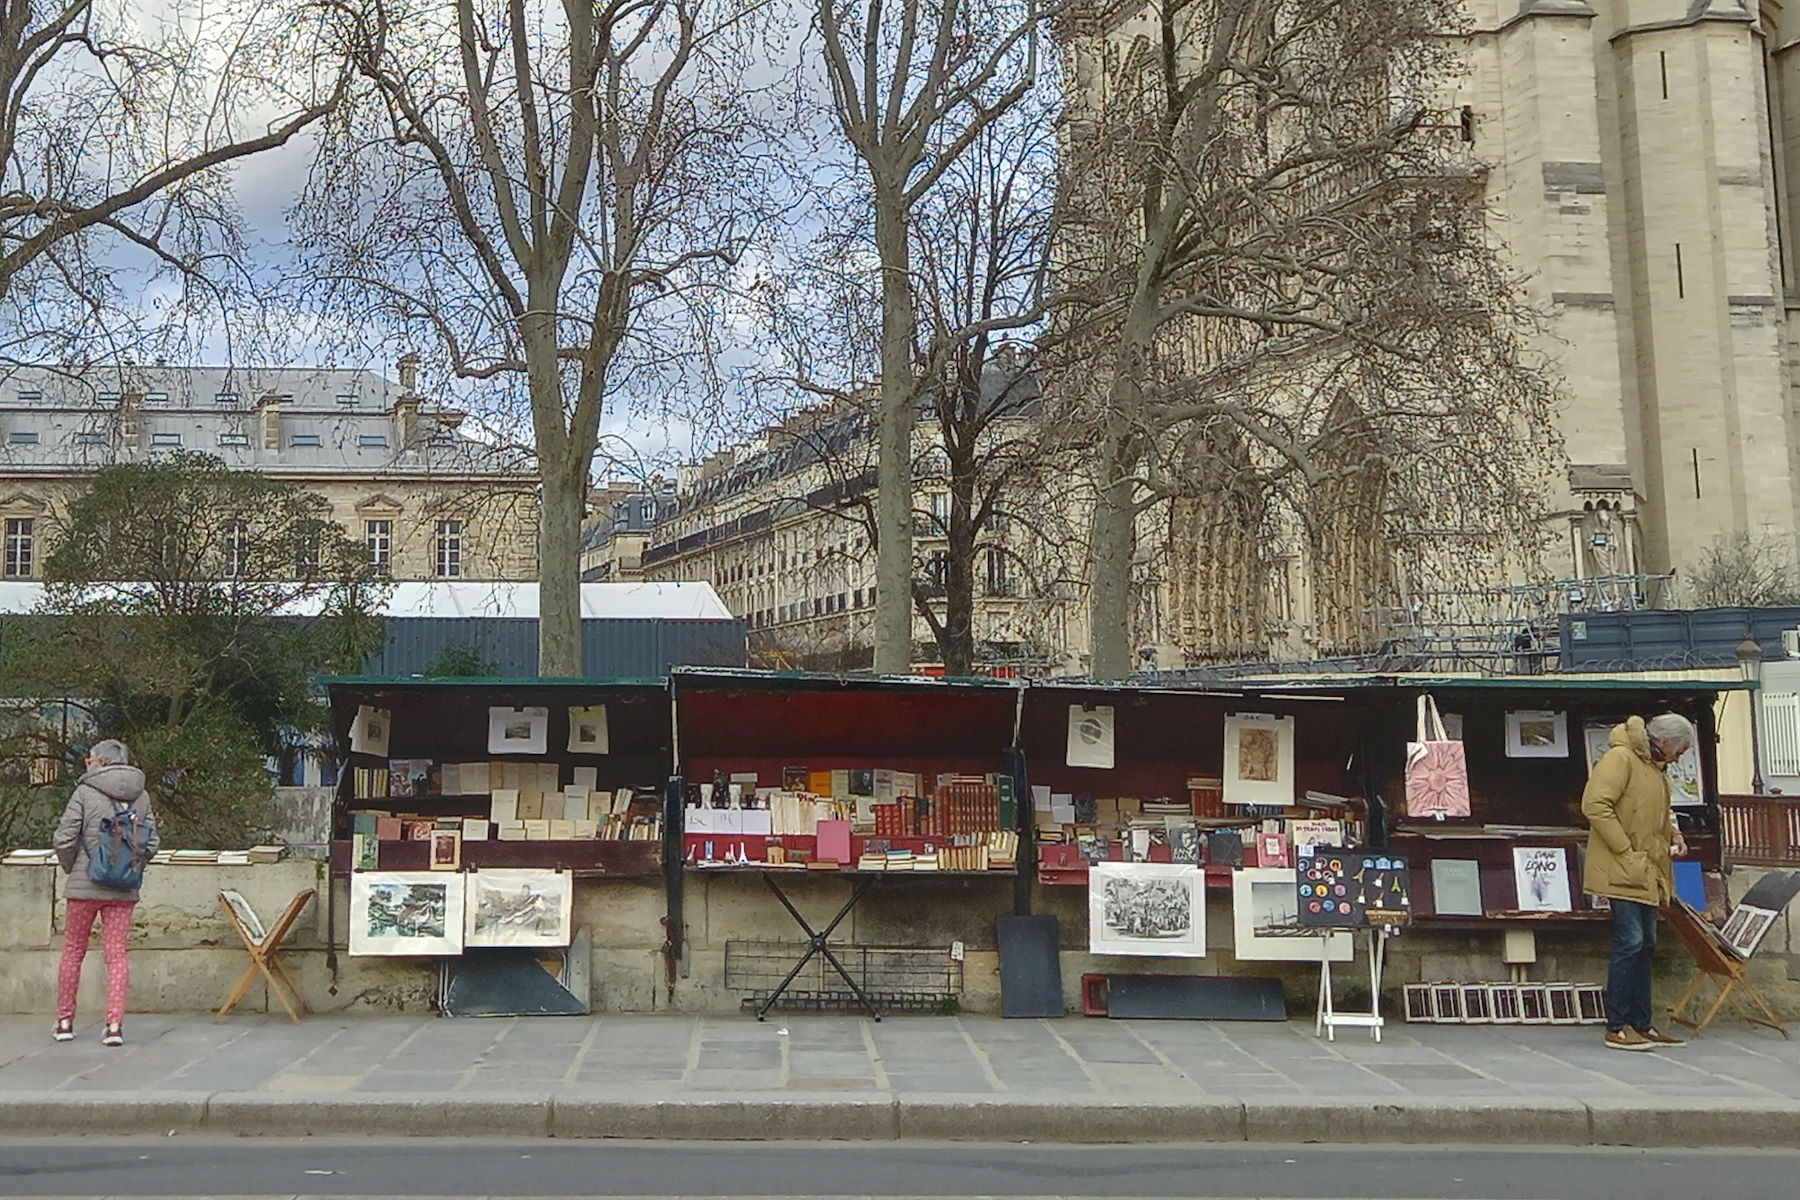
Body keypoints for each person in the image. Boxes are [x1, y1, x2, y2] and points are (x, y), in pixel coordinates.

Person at [1580, 713, 1694, 1052]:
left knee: (1645, 944)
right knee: (1631, 941)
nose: (1679, 758)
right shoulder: (1620, 758)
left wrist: (1675, 833)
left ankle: (1642, 1024)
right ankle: (1617, 1025)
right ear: (1664, 742)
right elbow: (1595, 805)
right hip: (1624, 867)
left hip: (1646, 869)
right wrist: (1625, 850)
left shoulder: (1656, 769)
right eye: (1680, 750)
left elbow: (1661, 811)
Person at [52, 739, 158, 1046]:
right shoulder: (142, 795)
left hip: (84, 887)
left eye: (90, 758)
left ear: (100, 762)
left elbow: (65, 838)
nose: (87, 762)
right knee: (117, 955)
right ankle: (114, 1026)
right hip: (123, 888)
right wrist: (131, 865)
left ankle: (64, 1022)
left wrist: (75, 868)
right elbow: (151, 842)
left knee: (73, 950)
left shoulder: (84, 792)